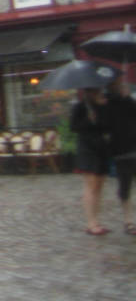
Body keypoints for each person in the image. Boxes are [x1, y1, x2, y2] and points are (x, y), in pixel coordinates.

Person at [72, 87, 112, 235]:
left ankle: (97, 221)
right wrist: (88, 120)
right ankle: (91, 223)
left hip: (101, 148)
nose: (99, 94)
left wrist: (103, 110)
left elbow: (107, 126)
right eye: (95, 92)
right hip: (87, 150)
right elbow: (74, 127)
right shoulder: (80, 106)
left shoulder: (102, 106)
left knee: (100, 185)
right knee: (91, 185)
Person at [105, 79, 136, 235]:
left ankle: (129, 221)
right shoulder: (107, 103)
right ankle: (129, 221)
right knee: (125, 187)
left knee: (125, 187)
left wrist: (127, 97)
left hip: (126, 149)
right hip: (122, 151)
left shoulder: (127, 101)